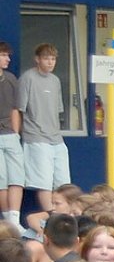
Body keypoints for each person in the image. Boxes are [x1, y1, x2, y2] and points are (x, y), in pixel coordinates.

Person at [16, 44, 68, 216]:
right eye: (46, 58)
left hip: (56, 137)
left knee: (63, 182)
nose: (50, 62)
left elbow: (58, 109)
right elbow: (19, 109)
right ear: (37, 59)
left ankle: (65, 214)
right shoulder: (27, 78)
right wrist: (19, 135)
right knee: (43, 182)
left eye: (53, 59)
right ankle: (52, 216)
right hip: (36, 136)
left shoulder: (55, 80)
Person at [0, 42, 20, 229]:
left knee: (16, 178)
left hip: (10, 135)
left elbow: (15, 108)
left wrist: (15, 133)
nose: (8, 59)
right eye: (4, 55)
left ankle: (14, 219)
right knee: (2, 180)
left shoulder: (11, 79)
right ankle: (8, 221)